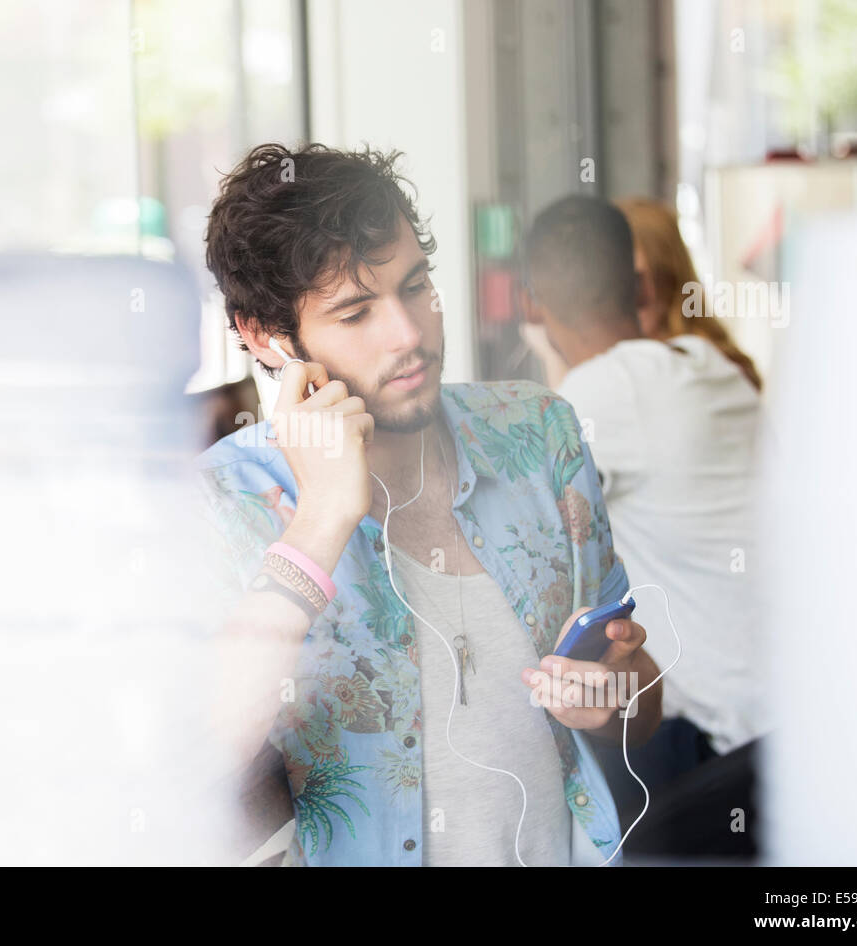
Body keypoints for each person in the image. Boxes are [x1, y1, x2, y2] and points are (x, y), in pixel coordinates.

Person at [193, 143, 662, 867]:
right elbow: (198, 757)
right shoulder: (222, 503)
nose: (409, 335)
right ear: (267, 339)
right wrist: (320, 523)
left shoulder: (540, 435)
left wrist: (615, 700)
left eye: (416, 287)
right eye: (355, 313)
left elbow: (641, 702)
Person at [521, 194, 769, 833]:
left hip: (724, 749)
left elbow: (519, 507)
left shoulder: (601, 395)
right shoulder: (713, 367)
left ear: (532, 309)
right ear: (639, 287)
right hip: (791, 721)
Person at [614, 196, 763, 392]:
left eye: (634, 281)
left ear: (668, 278)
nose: (621, 298)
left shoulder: (716, 366)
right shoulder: (612, 366)